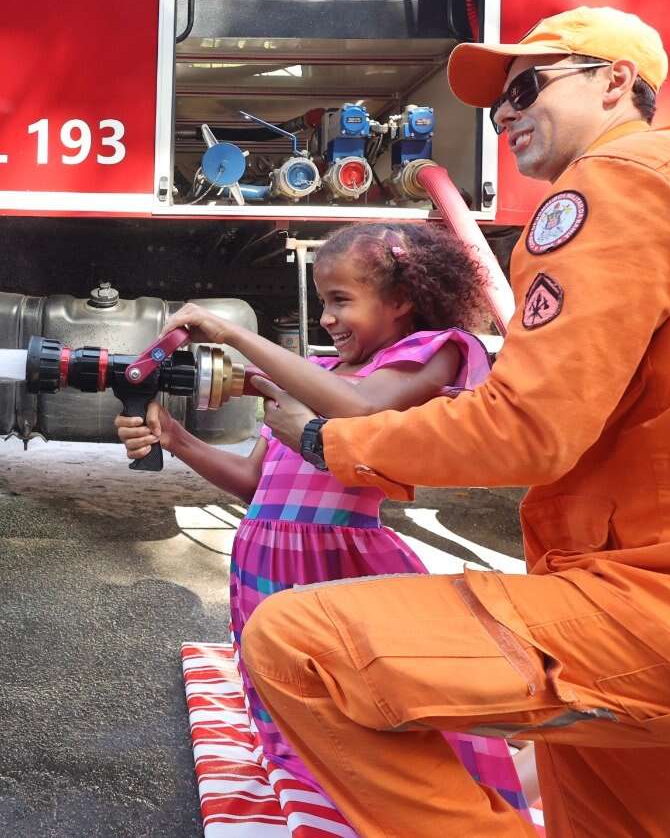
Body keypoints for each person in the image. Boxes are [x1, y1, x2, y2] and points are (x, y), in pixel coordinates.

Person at [238, 6, 670, 837]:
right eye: (498, 101)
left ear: (616, 83)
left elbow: (528, 429)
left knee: (298, 649)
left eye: (527, 85)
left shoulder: (621, 178)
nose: (503, 113)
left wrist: (331, 440)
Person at [115, 221, 529, 815]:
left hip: (339, 561)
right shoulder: (316, 372)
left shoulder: (431, 353)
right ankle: (323, 801)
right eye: (323, 301)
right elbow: (256, 483)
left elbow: (359, 408)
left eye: (342, 300)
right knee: (293, 704)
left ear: (401, 300)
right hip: (263, 560)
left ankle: (412, 807)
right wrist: (175, 438)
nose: (328, 318)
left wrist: (235, 335)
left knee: (366, 701)